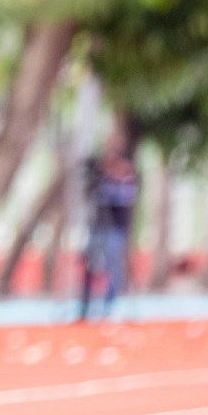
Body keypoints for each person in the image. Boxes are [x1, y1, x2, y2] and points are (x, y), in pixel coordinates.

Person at [78, 137, 137, 321]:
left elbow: (123, 199)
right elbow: (89, 195)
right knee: (90, 264)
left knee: (113, 265)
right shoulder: (99, 178)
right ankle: (86, 306)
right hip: (98, 226)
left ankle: (110, 306)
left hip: (116, 228)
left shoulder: (126, 175)